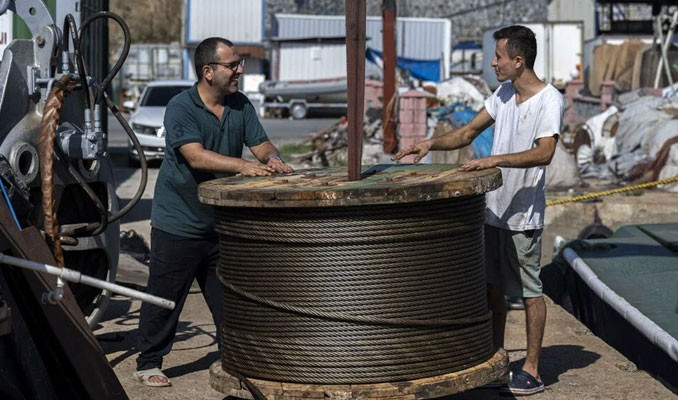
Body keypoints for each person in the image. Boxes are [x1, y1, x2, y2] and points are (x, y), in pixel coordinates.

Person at [392, 25, 563, 396]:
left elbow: (545, 152)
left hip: (523, 216)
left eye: (499, 56)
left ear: (519, 61)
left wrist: (495, 160)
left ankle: (532, 368)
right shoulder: (503, 93)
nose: (493, 62)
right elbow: (467, 132)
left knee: (531, 291)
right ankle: (495, 357)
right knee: (491, 288)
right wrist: (429, 143)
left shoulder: (549, 100)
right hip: (494, 210)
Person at [134, 37, 293, 387]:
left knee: (230, 301)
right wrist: (242, 166)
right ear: (208, 72)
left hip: (220, 224)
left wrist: (272, 159)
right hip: (179, 222)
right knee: (165, 298)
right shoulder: (181, 107)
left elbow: (261, 143)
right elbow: (196, 156)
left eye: (239, 64)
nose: (239, 70)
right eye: (232, 65)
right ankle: (149, 362)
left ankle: (235, 357)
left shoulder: (240, 105)